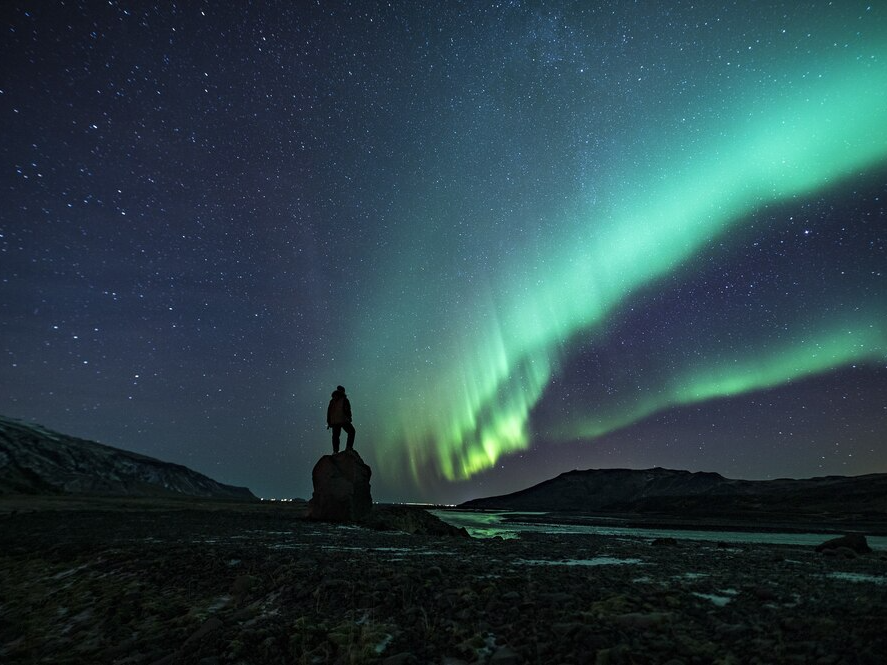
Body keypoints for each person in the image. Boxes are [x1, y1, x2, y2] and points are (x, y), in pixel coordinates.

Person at [326, 385, 355, 453]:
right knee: (352, 432)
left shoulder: (332, 401)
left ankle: (335, 451)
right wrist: (349, 417)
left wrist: (329, 422)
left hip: (334, 421)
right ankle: (349, 447)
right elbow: (347, 409)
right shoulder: (344, 399)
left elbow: (329, 412)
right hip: (343, 419)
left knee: (335, 436)